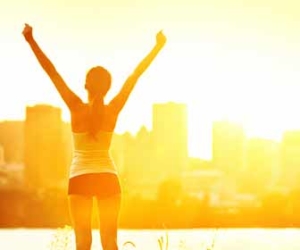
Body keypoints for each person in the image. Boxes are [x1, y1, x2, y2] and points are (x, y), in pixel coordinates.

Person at [22, 23, 167, 250]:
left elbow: (52, 72)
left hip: (80, 178)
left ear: (86, 84)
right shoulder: (113, 109)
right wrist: (157, 47)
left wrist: (30, 40)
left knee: (83, 242)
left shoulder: (75, 106)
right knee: (110, 242)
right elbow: (135, 75)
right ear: (109, 88)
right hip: (107, 177)